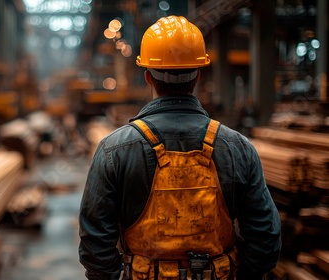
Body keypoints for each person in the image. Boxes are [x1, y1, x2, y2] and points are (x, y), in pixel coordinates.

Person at [79, 16, 281, 280]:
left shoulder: (114, 150)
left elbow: (95, 246)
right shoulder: (238, 148)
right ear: (198, 75)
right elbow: (265, 239)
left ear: (148, 76)